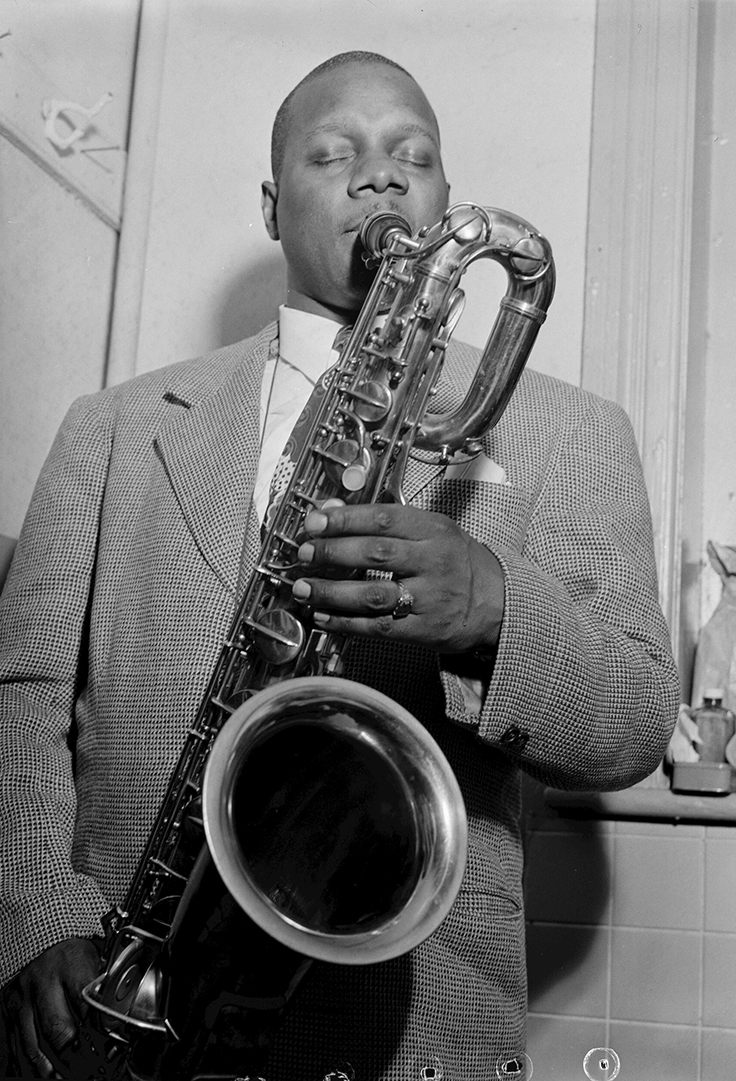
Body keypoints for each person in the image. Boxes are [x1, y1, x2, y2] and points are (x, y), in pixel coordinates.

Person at [0, 51, 679, 1080]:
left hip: (410, 1027)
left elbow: (631, 716)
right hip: (119, 994)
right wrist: (36, 921)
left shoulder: (575, 431)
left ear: (446, 199)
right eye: (334, 154)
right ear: (273, 207)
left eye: (414, 154)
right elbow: (22, 697)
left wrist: (491, 604)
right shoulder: (110, 426)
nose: (380, 176)